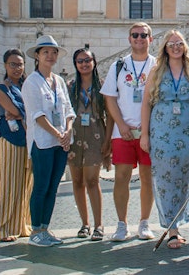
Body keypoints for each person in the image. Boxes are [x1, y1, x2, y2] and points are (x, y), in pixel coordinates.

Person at [141, 30, 189, 249]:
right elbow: (146, 103)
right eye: (172, 44)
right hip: (161, 132)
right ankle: (172, 229)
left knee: (184, 176)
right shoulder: (156, 71)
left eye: (179, 43)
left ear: (185, 47)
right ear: (165, 48)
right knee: (166, 178)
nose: (176, 47)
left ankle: (176, 221)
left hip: (188, 132)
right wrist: (144, 134)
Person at [102, 22, 158, 242]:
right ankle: (121, 224)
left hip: (148, 132)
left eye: (143, 35)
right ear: (129, 39)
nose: (139, 38)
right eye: (135, 35)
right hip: (122, 132)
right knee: (121, 178)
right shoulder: (118, 66)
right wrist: (122, 125)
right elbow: (110, 98)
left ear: (151, 39)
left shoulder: (157, 65)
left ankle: (144, 223)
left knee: (147, 178)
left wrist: (148, 128)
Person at [22, 35, 75, 246]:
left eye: (53, 52)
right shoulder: (31, 82)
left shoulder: (59, 81)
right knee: (41, 186)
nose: (50, 56)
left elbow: (68, 110)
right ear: (37, 56)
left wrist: (68, 131)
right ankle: (36, 230)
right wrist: (58, 134)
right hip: (43, 141)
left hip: (60, 142)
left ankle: (45, 227)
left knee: (53, 187)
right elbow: (37, 115)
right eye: (45, 52)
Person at [68, 46, 112, 241]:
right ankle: (84, 224)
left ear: (94, 63)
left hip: (96, 136)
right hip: (74, 138)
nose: (84, 64)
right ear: (75, 64)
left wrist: (108, 141)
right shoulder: (70, 87)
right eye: (80, 61)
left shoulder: (102, 86)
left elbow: (110, 116)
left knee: (93, 181)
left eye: (87, 60)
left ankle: (98, 224)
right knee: (77, 182)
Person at [0, 49, 33, 242]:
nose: (17, 68)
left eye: (20, 64)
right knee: (9, 185)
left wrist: (19, 113)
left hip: (30, 140)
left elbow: (31, 110)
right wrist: (19, 112)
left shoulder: (27, 87)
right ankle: (3, 229)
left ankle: (23, 225)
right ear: (5, 66)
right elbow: (14, 109)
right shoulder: (1, 88)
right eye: (13, 64)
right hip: (10, 139)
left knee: (27, 185)